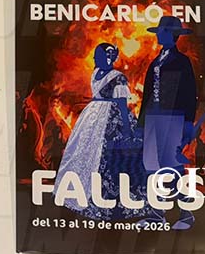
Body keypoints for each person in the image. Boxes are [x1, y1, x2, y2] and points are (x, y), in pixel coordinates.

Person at [53, 42, 147, 220]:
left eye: (99, 56)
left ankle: (115, 200)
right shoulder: (96, 72)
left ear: (108, 57)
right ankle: (83, 193)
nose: (95, 59)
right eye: (96, 56)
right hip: (93, 116)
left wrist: (127, 130)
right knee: (85, 153)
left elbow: (121, 104)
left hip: (111, 118)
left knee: (114, 158)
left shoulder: (118, 78)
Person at [136, 15, 198, 230]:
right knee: (152, 165)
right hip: (154, 118)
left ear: (171, 35)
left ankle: (186, 213)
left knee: (172, 166)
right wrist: (141, 124)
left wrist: (188, 122)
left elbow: (190, 94)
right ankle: (156, 214)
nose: (158, 36)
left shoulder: (181, 61)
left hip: (172, 118)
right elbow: (147, 95)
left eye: (162, 32)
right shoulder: (156, 60)